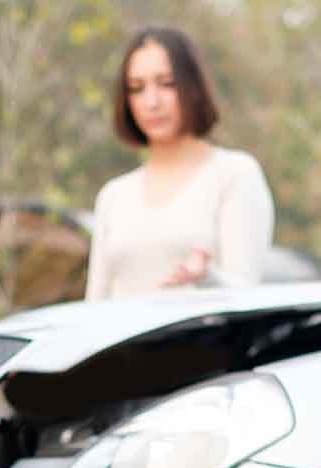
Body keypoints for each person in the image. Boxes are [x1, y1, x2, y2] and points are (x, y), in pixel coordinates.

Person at [86, 27, 275, 301]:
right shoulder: (113, 196)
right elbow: (95, 307)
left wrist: (204, 278)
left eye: (167, 83)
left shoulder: (235, 175)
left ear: (193, 88)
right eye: (137, 88)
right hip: (124, 345)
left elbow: (247, 297)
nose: (152, 102)